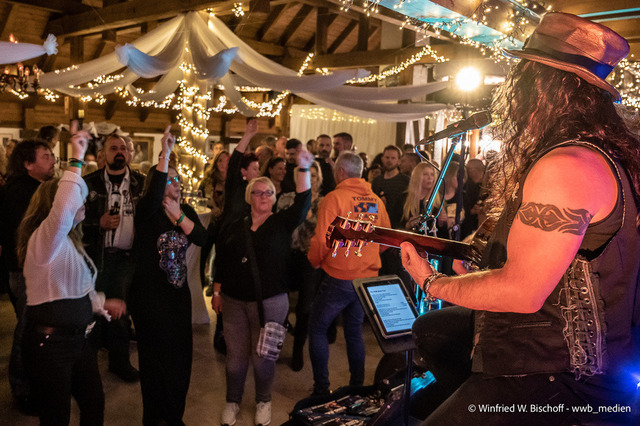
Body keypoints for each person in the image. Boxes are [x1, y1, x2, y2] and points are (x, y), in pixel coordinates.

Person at [400, 12, 640, 425]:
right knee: (434, 331)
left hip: (556, 377)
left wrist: (432, 281)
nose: (510, 94)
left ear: (541, 86)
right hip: (570, 365)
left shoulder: (567, 165)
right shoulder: (599, 154)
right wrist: (483, 271)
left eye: (520, 77)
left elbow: (523, 292)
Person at [17, 122, 126, 424]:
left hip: (78, 341)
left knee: (94, 404)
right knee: (56, 417)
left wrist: (100, 303)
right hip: (50, 346)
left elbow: (77, 287)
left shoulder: (68, 242)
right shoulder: (44, 239)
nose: (83, 202)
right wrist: (77, 157)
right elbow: (64, 206)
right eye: (79, 197)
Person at [212, 150, 313, 426]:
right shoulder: (235, 226)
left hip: (272, 302)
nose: (263, 196)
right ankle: (232, 401)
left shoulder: (281, 222)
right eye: (257, 192)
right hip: (234, 301)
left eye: (268, 192)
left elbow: (303, 202)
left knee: (263, 359)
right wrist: (217, 291)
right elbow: (223, 260)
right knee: (235, 359)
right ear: (249, 197)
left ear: (274, 197)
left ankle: (263, 401)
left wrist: (304, 169)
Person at [128, 126, 208, 425]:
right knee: (153, 364)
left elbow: (201, 238)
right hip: (148, 300)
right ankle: (153, 419)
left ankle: (174, 418)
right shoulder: (146, 211)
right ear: (157, 183)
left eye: (178, 179)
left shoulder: (185, 210)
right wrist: (165, 154)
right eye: (170, 179)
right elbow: (153, 196)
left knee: (180, 362)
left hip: (177, 298)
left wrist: (179, 216)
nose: (177, 183)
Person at [307, 152, 391, 396]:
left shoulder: (334, 199)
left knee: (318, 327)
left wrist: (315, 261)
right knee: (354, 330)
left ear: (341, 172)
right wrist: (368, 255)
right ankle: (356, 388)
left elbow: (323, 240)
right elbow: (386, 238)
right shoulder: (375, 201)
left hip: (340, 275)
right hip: (367, 277)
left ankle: (321, 390)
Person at [83, 133, 146, 382]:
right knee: (93, 312)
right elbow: (73, 220)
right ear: (103, 154)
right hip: (96, 257)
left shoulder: (141, 184)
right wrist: (97, 222)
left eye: (123, 148)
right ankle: (87, 366)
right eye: (113, 148)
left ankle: (119, 362)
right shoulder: (89, 184)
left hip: (127, 258)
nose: (119, 152)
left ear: (128, 153)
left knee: (120, 312)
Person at [0, 139, 56, 414]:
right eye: (46, 156)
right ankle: (22, 388)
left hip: (31, 269)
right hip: (25, 272)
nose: (53, 160)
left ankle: (34, 382)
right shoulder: (21, 193)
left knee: (35, 328)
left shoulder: (35, 188)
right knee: (26, 330)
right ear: (28, 164)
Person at [372, 145, 410, 228]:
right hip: (380, 224)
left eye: (393, 158)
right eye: (387, 157)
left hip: (399, 226)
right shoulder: (377, 181)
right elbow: (371, 206)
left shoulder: (406, 181)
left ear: (399, 161)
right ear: (382, 159)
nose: (389, 161)